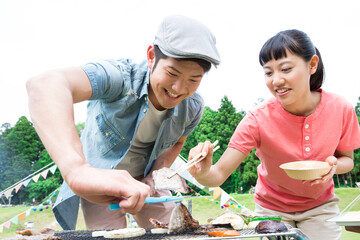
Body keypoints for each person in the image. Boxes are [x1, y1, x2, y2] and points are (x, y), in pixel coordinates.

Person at [26, 15, 220, 230]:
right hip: (99, 181)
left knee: (173, 231)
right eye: (172, 73)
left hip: (148, 182)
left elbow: (176, 143)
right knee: (111, 235)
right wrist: (77, 170)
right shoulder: (120, 77)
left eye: (194, 80)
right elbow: (44, 85)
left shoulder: (192, 107)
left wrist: (154, 178)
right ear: (151, 57)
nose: (178, 89)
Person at [188, 29, 360, 239]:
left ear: (312, 65)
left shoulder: (341, 108)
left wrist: (334, 166)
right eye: (268, 73)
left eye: (285, 69)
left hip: (321, 208)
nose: (276, 80)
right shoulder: (257, 119)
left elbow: (347, 160)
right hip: (272, 210)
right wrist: (202, 173)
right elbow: (218, 175)